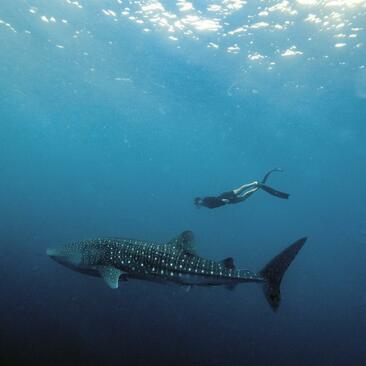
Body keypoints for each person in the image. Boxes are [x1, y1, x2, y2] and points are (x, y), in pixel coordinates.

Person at [194, 168, 289, 209]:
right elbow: (217, 205)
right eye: (198, 204)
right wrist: (224, 202)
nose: (199, 204)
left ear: (199, 200)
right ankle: (256, 188)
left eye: (198, 202)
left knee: (241, 189)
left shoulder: (206, 199)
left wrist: (223, 200)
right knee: (243, 198)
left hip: (224, 196)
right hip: (227, 202)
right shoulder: (208, 207)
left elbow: (214, 199)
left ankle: (254, 183)